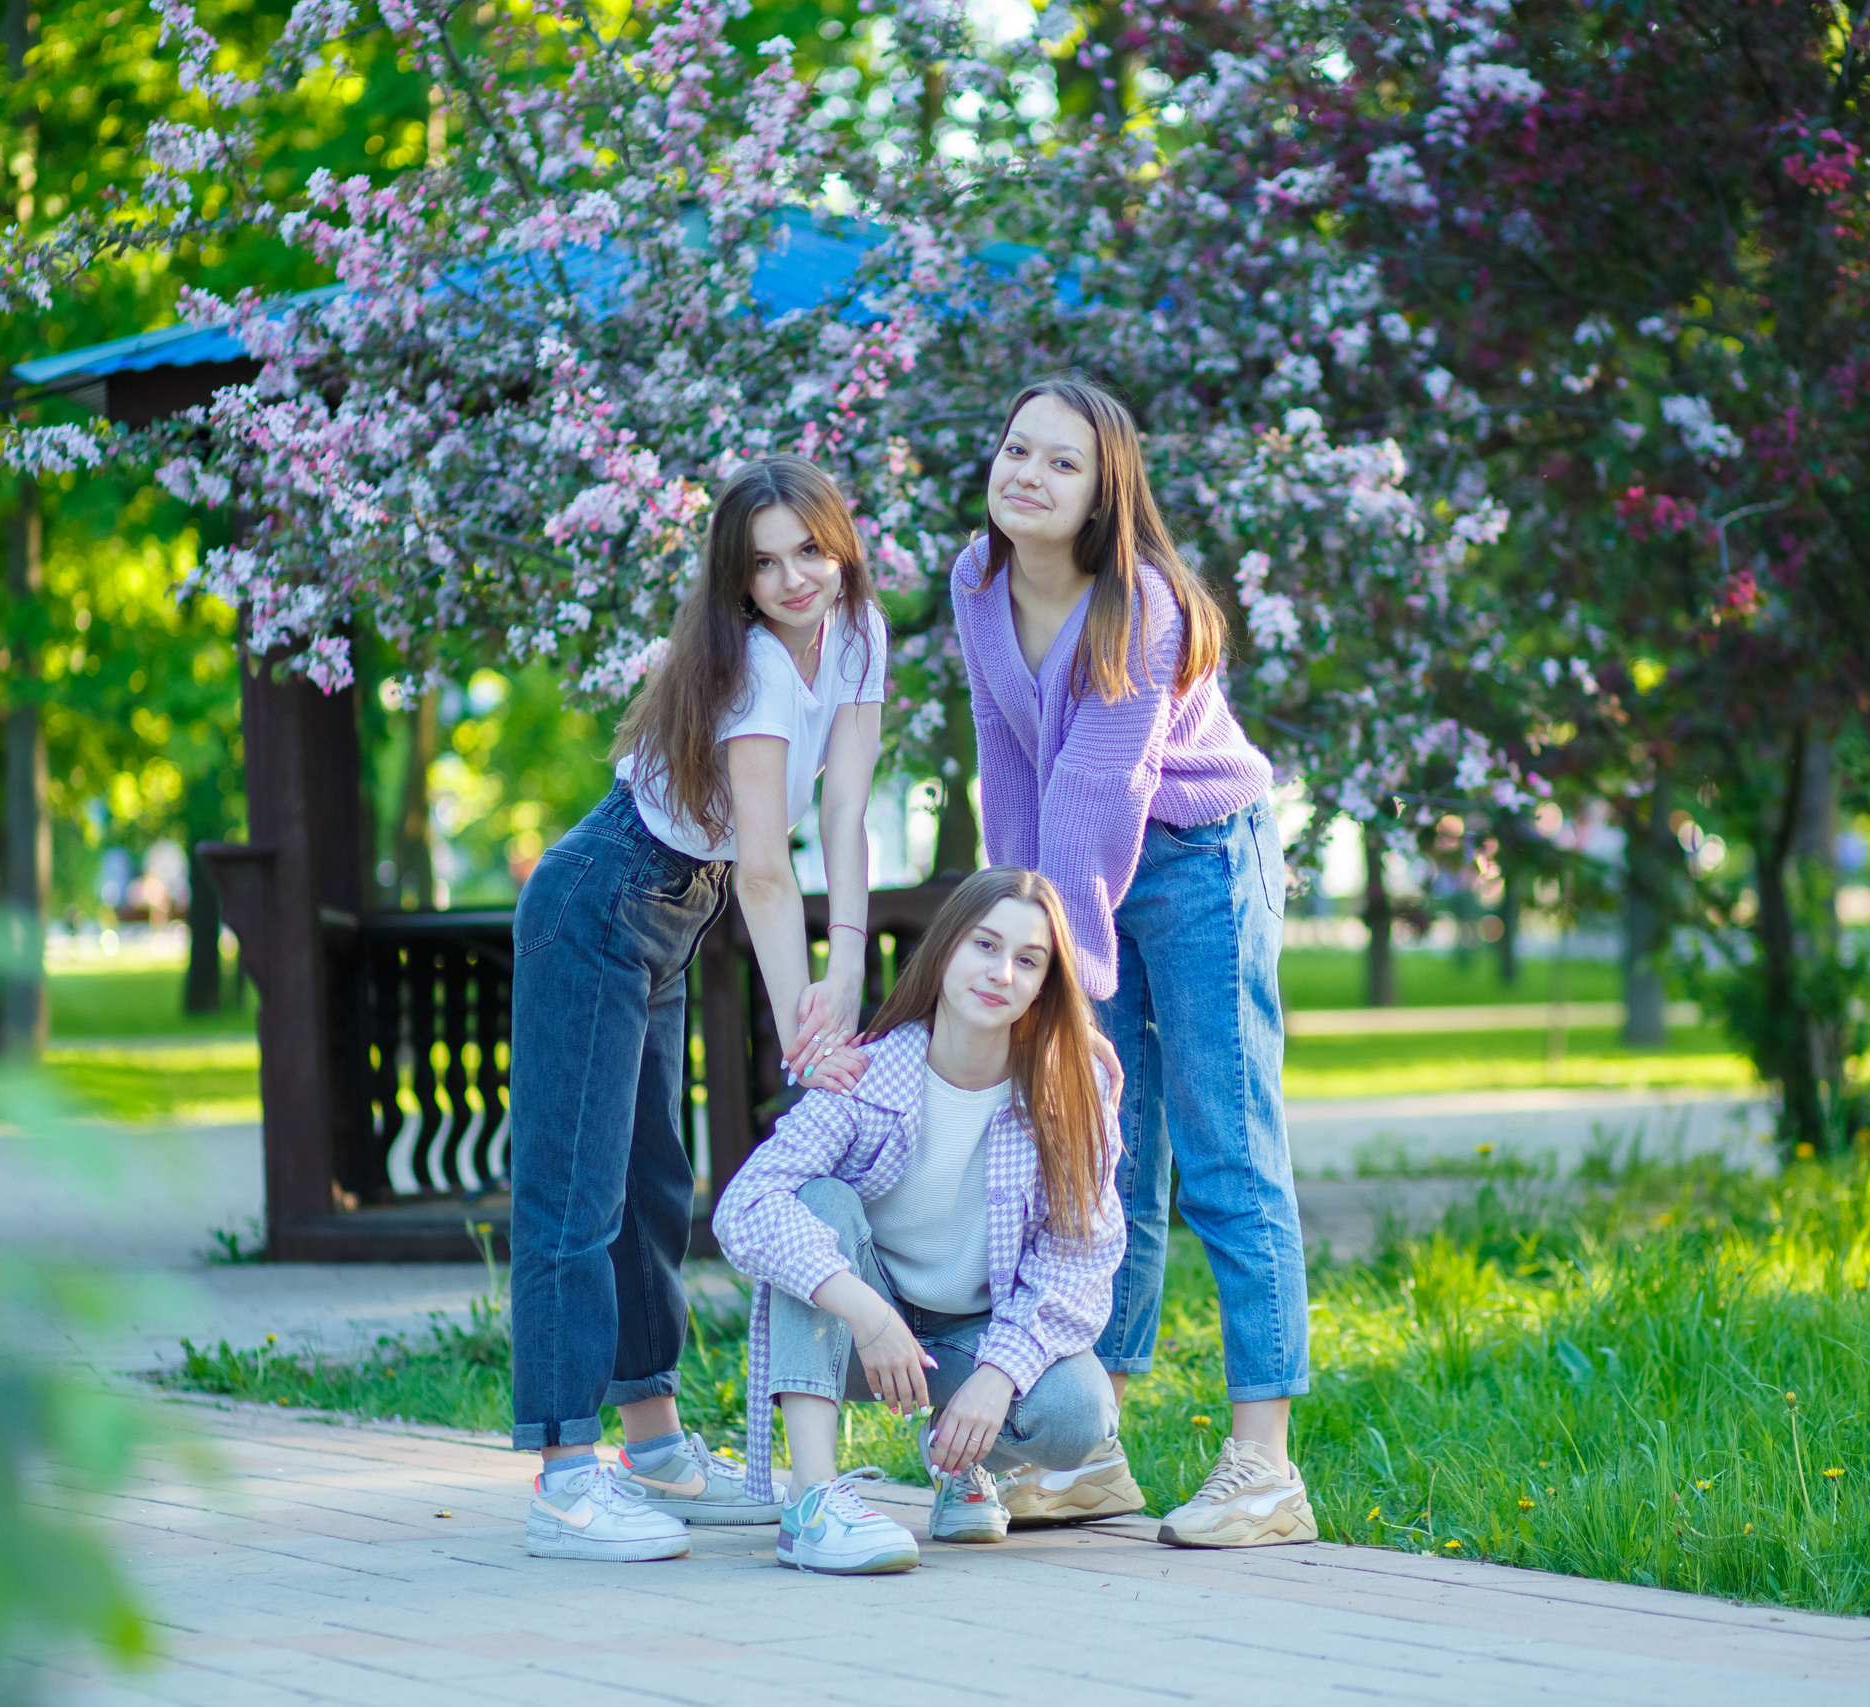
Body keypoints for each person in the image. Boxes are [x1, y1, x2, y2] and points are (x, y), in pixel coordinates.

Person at [950, 373, 1318, 1549]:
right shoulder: (977, 582)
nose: (1030, 475)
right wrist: (1011, 930)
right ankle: (1091, 1451)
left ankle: (1264, 1467)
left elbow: (1100, 795)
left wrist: (1064, 981)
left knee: (1225, 1152)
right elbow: (1011, 770)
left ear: (1106, 490)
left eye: (1062, 462)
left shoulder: (1142, 605)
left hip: (1200, 859)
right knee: (1106, 1155)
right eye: (1017, 451)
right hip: (1080, 872)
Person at [511, 453, 887, 1563]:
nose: (794, 578)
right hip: (601, 898)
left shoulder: (860, 634)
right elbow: (769, 869)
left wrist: (849, 968)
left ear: (841, 545)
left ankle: (656, 1445)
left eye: (810, 551)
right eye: (764, 563)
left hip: (675, 903)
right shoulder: (758, 670)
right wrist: (803, 1031)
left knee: (653, 1181)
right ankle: (564, 1477)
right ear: (735, 578)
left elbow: (850, 814)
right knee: (576, 1192)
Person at [713, 868, 1127, 1575]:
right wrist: (870, 1317)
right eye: (984, 945)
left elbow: (1079, 1260)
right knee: (814, 1203)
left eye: (1027, 960)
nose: (1001, 972)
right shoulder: (867, 1074)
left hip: (971, 1336)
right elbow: (744, 1206)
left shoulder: (1066, 1094)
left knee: (1080, 1412)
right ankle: (811, 1502)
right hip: (852, 1335)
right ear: (944, 952)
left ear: (1043, 985)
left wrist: (996, 1376)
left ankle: (962, 1456)